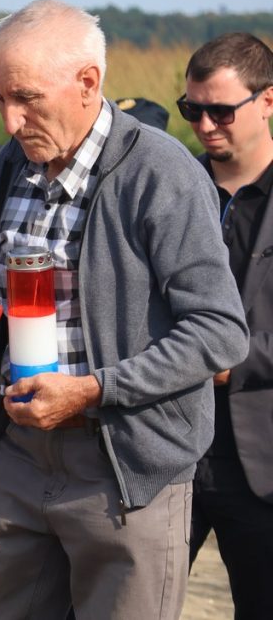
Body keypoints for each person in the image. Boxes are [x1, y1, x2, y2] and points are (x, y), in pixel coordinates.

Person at [0, 0, 249, 620]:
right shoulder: (9, 165)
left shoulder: (160, 172)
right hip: (20, 453)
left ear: (88, 82)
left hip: (128, 467)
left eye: (25, 98)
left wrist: (91, 390)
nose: (9, 119)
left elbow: (220, 332)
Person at [179, 32, 273, 619]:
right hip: (168, 448)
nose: (205, 126)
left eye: (221, 111)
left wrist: (230, 362)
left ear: (268, 101)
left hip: (262, 459)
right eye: (192, 111)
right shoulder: (171, 188)